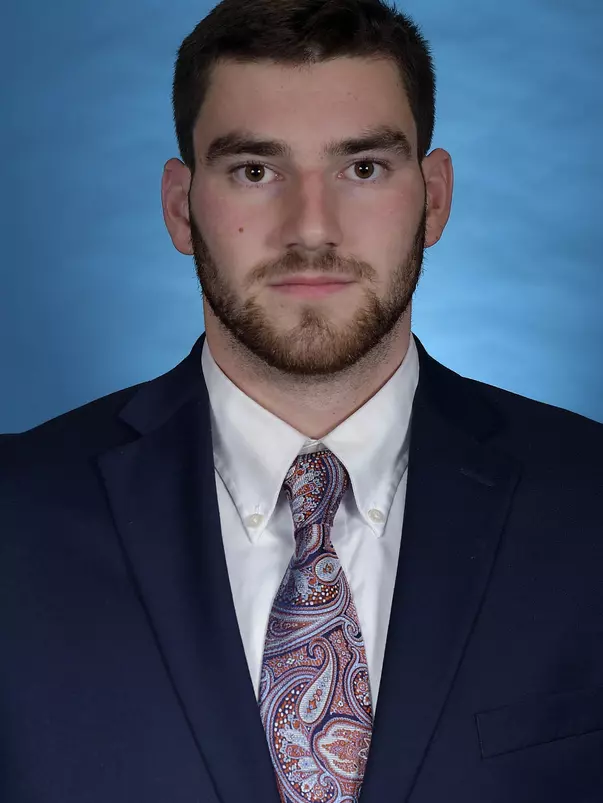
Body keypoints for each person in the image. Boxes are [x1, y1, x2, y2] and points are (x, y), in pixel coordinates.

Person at [1, 0, 602, 800]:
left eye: (363, 168)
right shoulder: (16, 516)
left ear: (434, 196)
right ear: (182, 206)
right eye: (255, 170)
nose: (310, 228)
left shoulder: (589, 500)